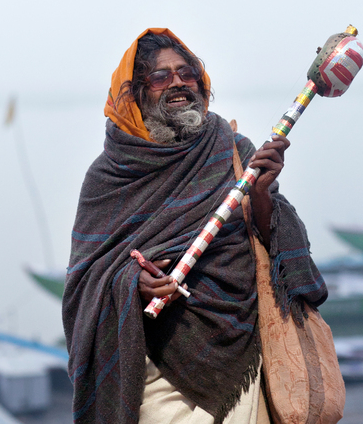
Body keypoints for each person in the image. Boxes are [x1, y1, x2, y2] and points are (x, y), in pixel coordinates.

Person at [62, 28, 327, 424]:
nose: (178, 84)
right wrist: (133, 283)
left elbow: (278, 251)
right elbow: (85, 285)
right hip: (152, 376)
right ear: (134, 94)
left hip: (246, 360)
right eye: (159, 76)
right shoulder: (108, 178)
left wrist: (262, 194)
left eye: (187, 73)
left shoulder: (234, 150)